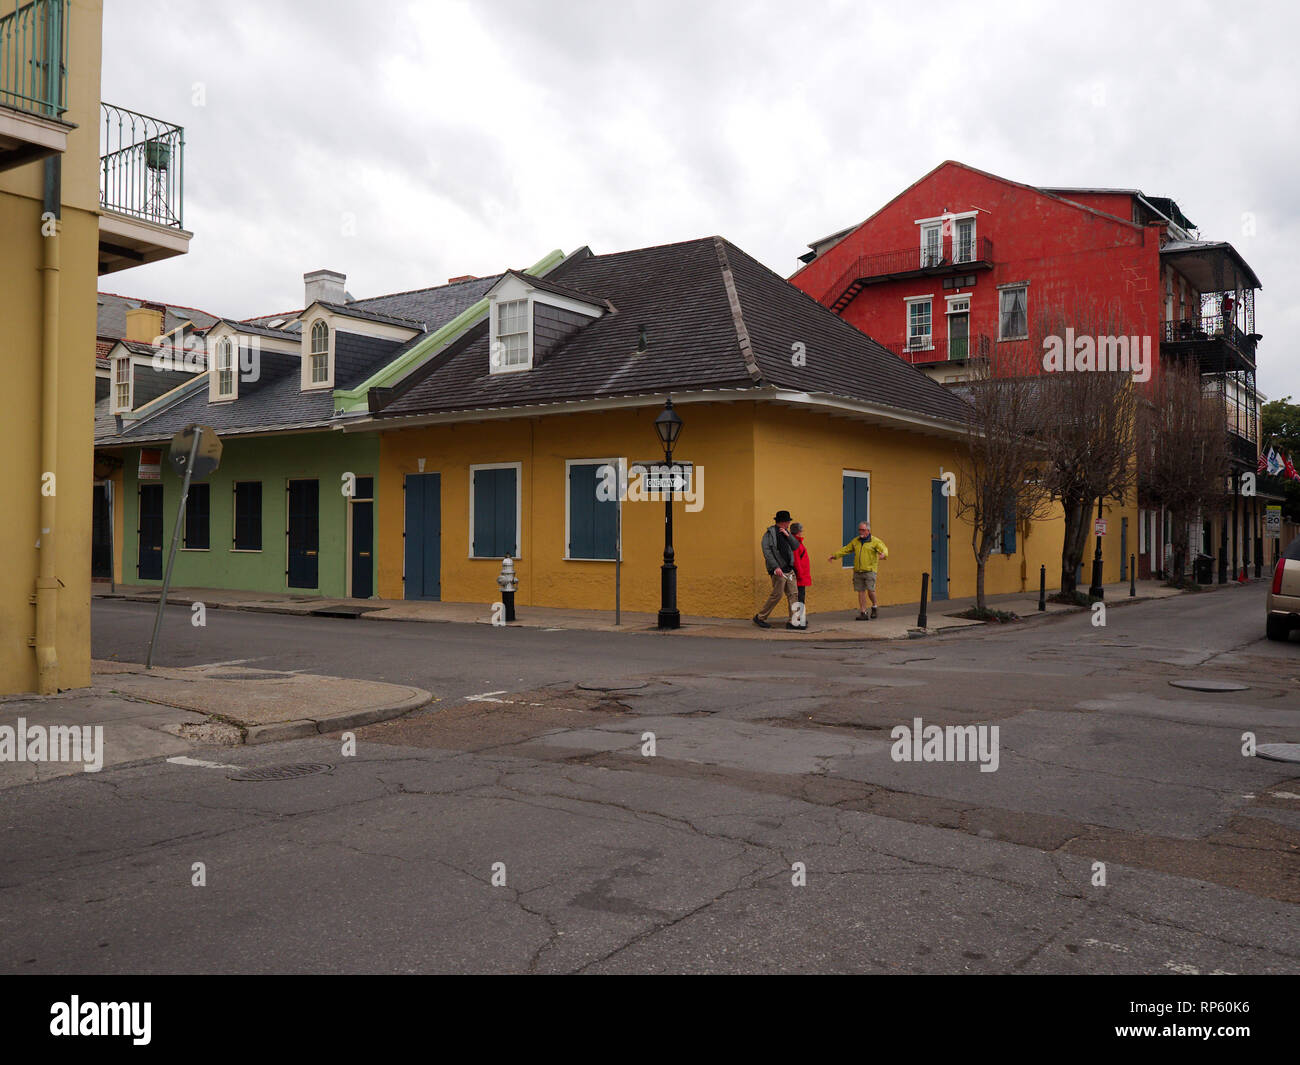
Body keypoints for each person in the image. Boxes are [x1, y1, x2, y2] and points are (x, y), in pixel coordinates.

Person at [830, 522, 889, 620]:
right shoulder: (856, 541)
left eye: (863, 530)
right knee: (860, 591)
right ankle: (863, 612)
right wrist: (835, 555)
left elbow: (884, 548)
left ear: (868, 531)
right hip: (858, 570)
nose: (860, 532)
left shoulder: (875, 541)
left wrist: (884, 554)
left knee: (870, 590)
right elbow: (846, 549)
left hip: (870, 570)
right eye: (860, 530)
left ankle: (874, 606)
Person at [755, 510, 800, 630]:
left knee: (793, 594)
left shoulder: (786, 533)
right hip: (778, 571)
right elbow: (767, 552)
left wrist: (788, 535)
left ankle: (794, 621)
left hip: (789, 569)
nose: (789, 524)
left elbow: (796, 546)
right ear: (783, 522)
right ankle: (760, 617)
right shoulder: (769, 534)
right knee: (777, 595)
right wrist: (775, 567)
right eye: (788, 522)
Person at [790, 521, 812, 626]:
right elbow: (797, 562)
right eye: (801, 530)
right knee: (799, 599)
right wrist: (800, 575)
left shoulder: (796, 542)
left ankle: (800, 619)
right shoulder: (796, 543)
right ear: (799, 532)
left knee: (799, 599)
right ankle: (800, 620)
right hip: (800, 577)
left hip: (801, 576)